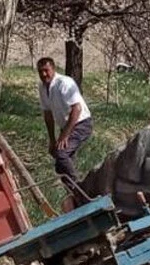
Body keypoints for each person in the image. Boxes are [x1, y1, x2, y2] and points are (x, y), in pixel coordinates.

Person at [37, 57, 92, 189]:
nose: (44, 74)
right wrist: (52, 140)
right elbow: (48, 114)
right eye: (40, 71)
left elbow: (77, 109)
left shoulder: (64, 83)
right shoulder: (42, 87)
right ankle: (72, 192)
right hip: (67, 126)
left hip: (81, 123)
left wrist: (64, 135)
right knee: (60, 165)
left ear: (53, 69)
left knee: (61, 154)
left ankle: (79, 189)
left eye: (46, 70)